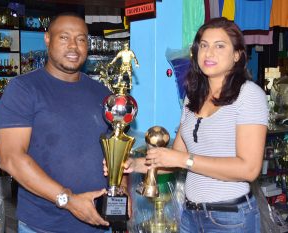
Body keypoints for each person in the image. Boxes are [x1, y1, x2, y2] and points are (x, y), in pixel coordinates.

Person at [111, 17, 269, 232]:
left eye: (219, 46)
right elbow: (175, 158)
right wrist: (134, 165)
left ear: (237, 55)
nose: (209, 52)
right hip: (190, 215)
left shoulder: (249, 94)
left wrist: (183, 159)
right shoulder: (193, 97)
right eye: (203, 45)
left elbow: (249, 169)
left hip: (230, 218)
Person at [0, 12, 129, 233]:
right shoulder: (24, 89)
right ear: (48, 39)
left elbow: (116, 150)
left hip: (98, 223)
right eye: (64, 37)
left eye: (81, 39)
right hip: (44, 226)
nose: (73, 47)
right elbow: (11, 159)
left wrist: (121, 190)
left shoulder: (101, 93)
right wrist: (68, 200)